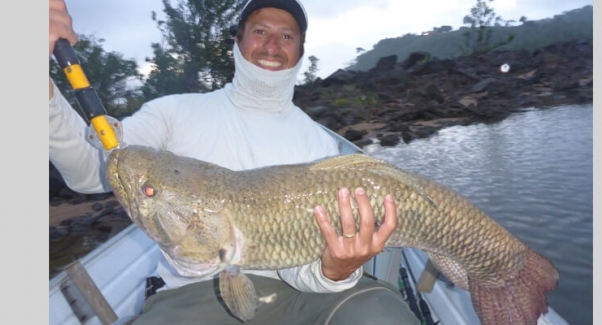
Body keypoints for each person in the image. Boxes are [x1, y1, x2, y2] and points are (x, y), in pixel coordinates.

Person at [49, 0, 420, 324]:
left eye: (286, 36)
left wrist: (335, 271)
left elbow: (310, 271)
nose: (272, 45)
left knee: (380, 313)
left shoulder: (320, 144)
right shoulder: (174, 112)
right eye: (260, 31)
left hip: (305, 294)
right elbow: (91, 168)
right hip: (193, 294)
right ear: (238, 42)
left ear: (301, 50)